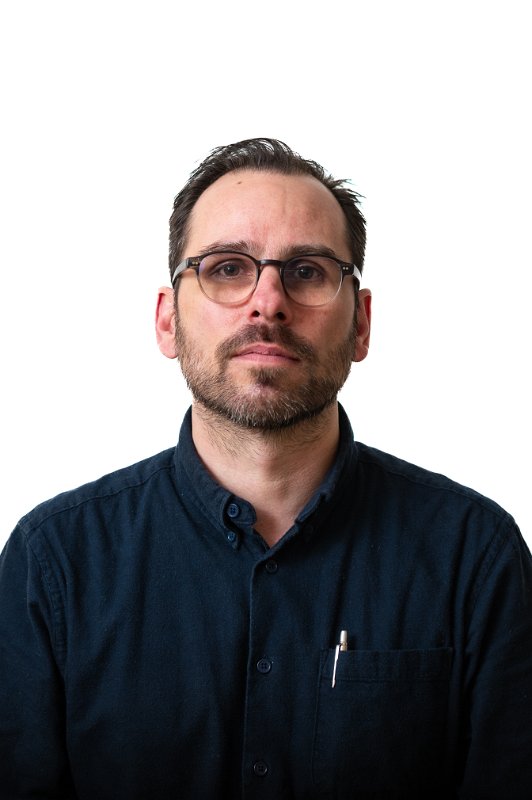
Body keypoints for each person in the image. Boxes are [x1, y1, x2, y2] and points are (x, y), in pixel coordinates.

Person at [0, 138, 531, 800]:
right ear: (167, 321)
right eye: (227, 268)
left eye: (307, 271)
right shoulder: (52, 562)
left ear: (361, 325)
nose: (268, 302)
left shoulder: (475, 555)